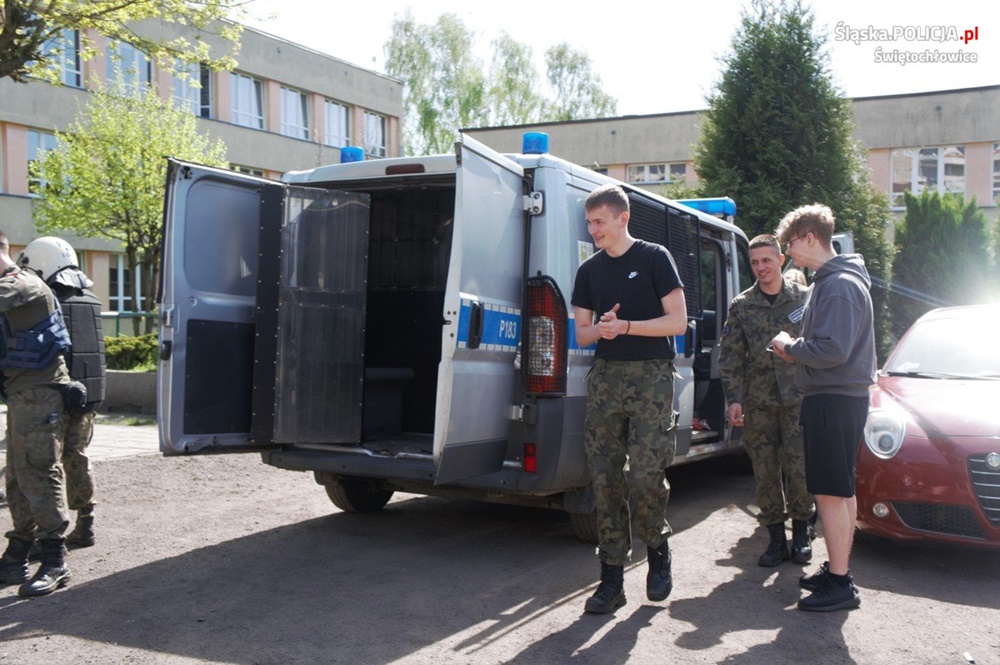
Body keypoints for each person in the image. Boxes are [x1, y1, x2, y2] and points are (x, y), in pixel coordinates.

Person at [571, 183, 688, 614]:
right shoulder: (589, 271)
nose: (593, 229)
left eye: (598, 221)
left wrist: (626, 327)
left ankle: (657, 549)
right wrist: (600, 331)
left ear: (623, 219)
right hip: (605, 378)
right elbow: (581, 332)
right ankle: (611, 579)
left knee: (643, 474)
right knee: (605, 478)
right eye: (589, 222)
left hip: (651, 377)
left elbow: (677, 323)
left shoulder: (655, 258)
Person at [770, 204, 875, 613]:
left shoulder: (838, 284)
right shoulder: (834, 282)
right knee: (840, 489)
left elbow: (832, 350)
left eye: (790, 244)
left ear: (810, 237)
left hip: (834, 398)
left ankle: (841, 582)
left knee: (830, 492)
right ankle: (837, 571)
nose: (788, 253)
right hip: (837, 397)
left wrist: (788, 347)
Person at [718, 234, 814, 568]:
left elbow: (820, 344)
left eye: (766, 261)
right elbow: (730, 355)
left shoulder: (805, 298)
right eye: (755, 262)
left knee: (799, 468)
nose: (761, 268)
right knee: (765, 471)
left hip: (799, 399)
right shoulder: (742, 305)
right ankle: (775, 537)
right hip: (758, 403)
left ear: (780, 261)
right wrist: (734, 399)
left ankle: (802, 533)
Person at [18, 237, 105, 548]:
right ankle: (86, 524)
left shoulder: (47, 299)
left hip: (57, 397)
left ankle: (44, 537)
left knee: (47, 466)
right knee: (78, 458)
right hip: (88, 396)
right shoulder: (91, 300)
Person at [0, 231, 74, 596]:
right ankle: (17, 554)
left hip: (39, 396)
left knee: (39, 474)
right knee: (16, 476)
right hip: (20, 395)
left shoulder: (24, 285)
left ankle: (55, 560)